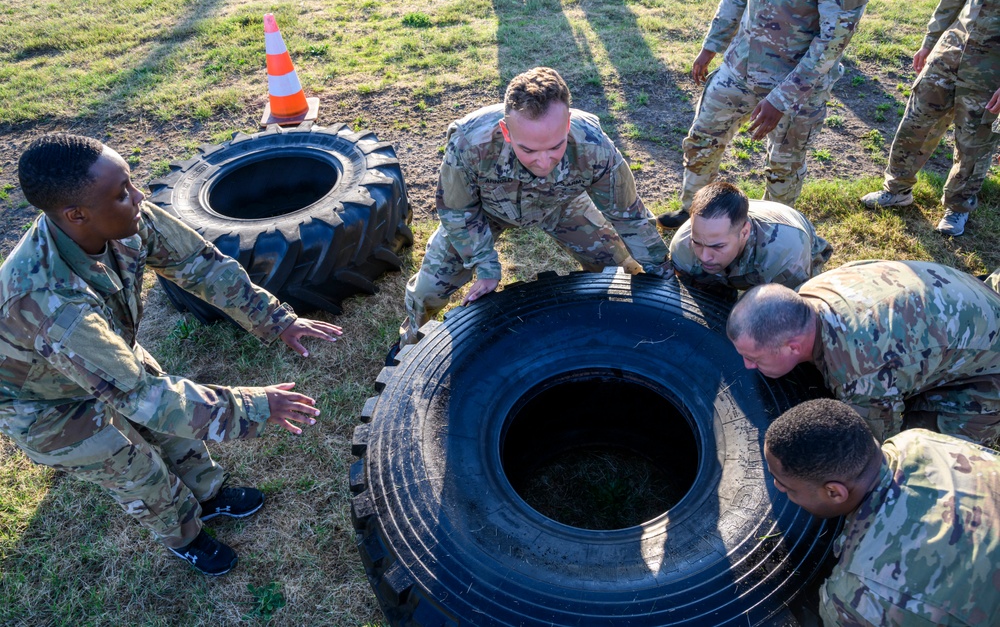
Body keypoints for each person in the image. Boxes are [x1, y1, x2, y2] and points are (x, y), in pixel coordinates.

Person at [0, 133, 343, 576]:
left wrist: (275, 319)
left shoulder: (117, 214)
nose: (139, 196)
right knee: (136, 468)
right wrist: (256, 406)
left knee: (178, 435)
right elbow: (146, 399)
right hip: (48, 405)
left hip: (104, 355)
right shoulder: (49, 301)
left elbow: (199, 264)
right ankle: (186, 536)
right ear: (76, 215)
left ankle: (209, 494)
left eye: (130, 182)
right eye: (123, 192)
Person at [399, 67, 671, 345]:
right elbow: (458, 210)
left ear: (567, 126)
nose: (543, 161)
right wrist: (486, 266)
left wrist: (662, 271)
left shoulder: (593, 145)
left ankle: (631, 329)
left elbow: (629, 216)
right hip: (487, 211)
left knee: (623, 268)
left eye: (555, 147)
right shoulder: (471, 142)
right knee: (427, 291)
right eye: (528, 150)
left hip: (561, 204)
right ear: (506, 130)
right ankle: (409, 343)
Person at [656, 0, 880, 228]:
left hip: (797, 83)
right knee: (702, 140)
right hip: (740, 66)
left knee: (784, 165)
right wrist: (712, 44)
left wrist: (781, 98)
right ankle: (695, 212)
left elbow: (833, 39)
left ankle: (775, 229)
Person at [764, 398, 1000, 627]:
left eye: (787, 486)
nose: (778, 487)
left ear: (835, 492)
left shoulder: (861, 595)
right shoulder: (916, 441)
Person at [726, 260, 1000, 444]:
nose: (747, 365)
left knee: (919, 449)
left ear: (793, 346)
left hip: (989, 367)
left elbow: (872, 447)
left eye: (754, 358)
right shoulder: (809, 293)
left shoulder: (860, 373)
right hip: (965, 295)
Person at [860, 0, 1000, 237]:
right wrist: (930, 40)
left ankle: (958, 206)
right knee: (917, 121)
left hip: (992, 70)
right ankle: (897, 190)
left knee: (975, 141)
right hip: (951, 49)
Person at [668, 182, 831, 292]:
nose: (704, 256)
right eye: (697, 243)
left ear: (744, 232)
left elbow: (791, 312)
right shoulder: (683, 246)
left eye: (717, 246)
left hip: (793, 237)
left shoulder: (785, 256)